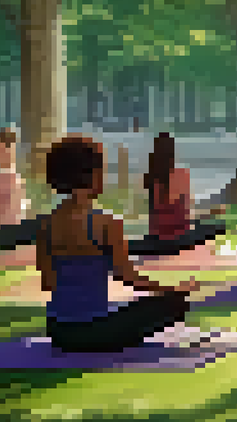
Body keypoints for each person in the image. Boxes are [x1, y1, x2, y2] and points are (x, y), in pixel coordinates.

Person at [37, 135, 202, 352]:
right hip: (96, 330)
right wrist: (173, 289)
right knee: (176, 303)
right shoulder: (107, 222)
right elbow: (128, 276)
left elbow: (48, 283)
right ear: (93, 175)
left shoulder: (46, 224)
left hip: (58, 331)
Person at [125, 132, 228, 257]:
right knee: (216, 226)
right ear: (172, 153)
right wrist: (211, 212)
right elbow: (185, 214)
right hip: (178, 240)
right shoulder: (181, 174)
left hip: (156, 238)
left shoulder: (150, 177)